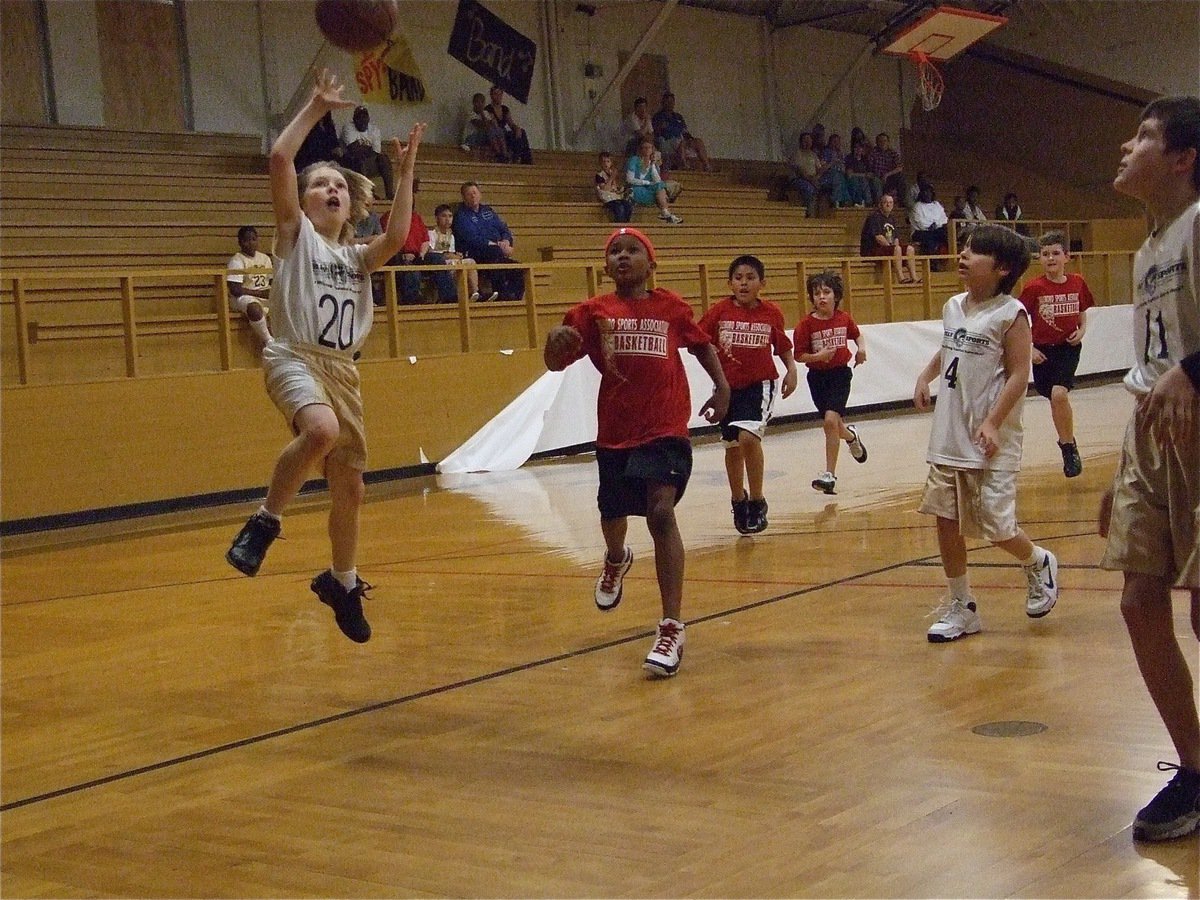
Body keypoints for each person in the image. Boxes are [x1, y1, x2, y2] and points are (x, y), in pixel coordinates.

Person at [224, 69, 424, 644]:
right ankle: (266, 520)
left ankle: (342, 579)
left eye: (340, 185)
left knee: (351, 490)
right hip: (294, 355)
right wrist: (314, 108)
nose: (332, 190)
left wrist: (406, 171)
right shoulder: (294, 236)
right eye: (321, 185)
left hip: (343, 370)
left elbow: (397, 236)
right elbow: (281, 161)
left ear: (351, 203)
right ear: (305, 202)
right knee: (319, 430)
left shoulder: (359, 256)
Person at [542, 227, 730, 677]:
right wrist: (554, 342)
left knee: (661, 512)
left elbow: (701, 342)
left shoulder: (672, 307)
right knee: (613, 514)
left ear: (652, 262)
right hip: (615, 432)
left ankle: (671, 626)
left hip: (665, 427)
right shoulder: (592, 312)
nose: (623, 257)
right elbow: (554, 360)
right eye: (615, 252)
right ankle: (616, 558)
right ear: (606, 265)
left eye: (633, 250)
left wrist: (722, 386)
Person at [1100, 94, 1200, 843]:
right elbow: (1149, 365)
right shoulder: (1145, 249)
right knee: (1140, 600)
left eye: (1143, 137)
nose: (1126, 148)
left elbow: (1179, 364)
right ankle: (1193, 769)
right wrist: (1117, 469)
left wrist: (1194, 371)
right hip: (1152, 435)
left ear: (1182, 158)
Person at [913, 223, 1058, 643]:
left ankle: (1037, 560)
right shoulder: (954, 306)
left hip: (990, 437)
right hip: (949, 432)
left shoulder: (1011, 313)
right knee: (945, 518)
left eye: (975, 252)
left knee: (995, 526)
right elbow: (949, 347)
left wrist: (993, 421)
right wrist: (926, 375)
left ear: (1002, 268)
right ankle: (962, 605)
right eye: (965, 249)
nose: (963, 256)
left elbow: (1018, 373)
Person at [698, 255, 797, 534]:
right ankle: (737, 500)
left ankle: (757, 500)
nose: (744, 283)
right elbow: (699, 342)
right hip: (727, 388)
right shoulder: (718, 312)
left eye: (750, 277)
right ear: (729, 283)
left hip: (759, 385)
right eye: (738, 278)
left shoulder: (771, 313)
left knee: (748, 437)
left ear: (762, 283)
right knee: (732, 446)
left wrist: (791, 370)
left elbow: (782, 346)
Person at [1018, 229, 1095, 477]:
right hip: (1042, 352)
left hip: (1067, 349)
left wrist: (1082, 331)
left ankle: (1068, 447)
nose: (1050, 258)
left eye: (1055, 253)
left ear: (1066, 257)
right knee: (1053, 398)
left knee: (1059, 394)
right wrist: (1030, 348)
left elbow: (1082, 311)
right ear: (1039, 258)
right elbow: (1018, 321)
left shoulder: (1077, 282)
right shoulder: (1033, 288)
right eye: (1045, 254)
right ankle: (1066, 439)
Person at [793, 270, 868, 495]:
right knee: (834, 425)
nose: (822, 297)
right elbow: (799, 355)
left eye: (826, 292)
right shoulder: (805, 325)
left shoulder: (843, 318)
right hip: (817, 378)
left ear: (836, 296)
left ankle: (829, 475)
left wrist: (861, 350)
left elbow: (857, 335)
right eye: (817, 293)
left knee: (829, 422)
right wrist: (818, 357)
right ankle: (851, 436)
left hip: (840, 375)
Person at [452, 181, 525, 301]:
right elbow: (472, 239)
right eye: (469, 194)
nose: (473, 196)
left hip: (496, 253)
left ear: (480, 194)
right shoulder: (461, 216)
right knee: (494, 251)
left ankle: (514, 300)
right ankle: (502, 294)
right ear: (464, 197)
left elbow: (504, 229)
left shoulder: (488, 211)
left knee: (519, 269)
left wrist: (506, 241)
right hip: (475, 253)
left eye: (475, 193)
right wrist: (496, 245)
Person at [392, 178, 457, 304]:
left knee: (437, 258)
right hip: (400, 255)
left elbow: (425, 239)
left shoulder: (417, 218)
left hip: (418, 255)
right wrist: (404, 252)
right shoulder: (390, 217)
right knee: (411, 270)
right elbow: (389, 239)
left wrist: (422, 252)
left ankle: (449, 296)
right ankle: (412, 300)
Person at [428, 203, 493, 302]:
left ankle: (475, 292)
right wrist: (450, 255)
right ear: (437, 218)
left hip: (452, 262)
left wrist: (456, 255)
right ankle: (461, 296)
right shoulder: (431, 234)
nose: (447, 219)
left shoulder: (452, 236)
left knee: (470, 262)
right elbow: (432, 252)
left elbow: (452, 252)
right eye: (444, 216)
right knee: (459, 266)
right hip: (440, 265)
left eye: (450, 216)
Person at [226, 225, 273, 345]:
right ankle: (269, 341)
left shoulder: (265, 258)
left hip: (264, 294)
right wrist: (261, 293)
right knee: (254, 308)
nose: (251, 243)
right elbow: (235, 289)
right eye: (247, 240)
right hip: (243, 297)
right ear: (240, 243)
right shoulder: (237, 260)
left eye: (253, 239)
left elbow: (273, 282)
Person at [860, 192, 920, 284]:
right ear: (880, 205)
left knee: (910, 249)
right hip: (872, 250)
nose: (888, 205)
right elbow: (879, 237)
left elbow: (895, 237)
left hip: (889, 249)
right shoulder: (874, 217)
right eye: (885, 202)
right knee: (897, 249)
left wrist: (894, 247)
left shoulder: (891, 218)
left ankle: (914, 277)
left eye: (891, 202)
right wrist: (892, 248)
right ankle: (901, 278)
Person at [340, 105, 395, 199]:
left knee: (383, 158)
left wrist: (362, 148)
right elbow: (353, 150)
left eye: (364, 118)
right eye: (359, 118)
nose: (362, 121)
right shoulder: (348, 127)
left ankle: (390, 194)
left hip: (368, 162)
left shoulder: (374, 129)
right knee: (358, 159)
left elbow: (376, 152)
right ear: (354, 119)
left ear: (368, 119)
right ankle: (369, 194)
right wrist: (368, 149)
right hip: (350, 164)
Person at [626, 138, 683, 224]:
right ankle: (666, 212)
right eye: (644, 147)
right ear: (640, 149)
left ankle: (665, 212)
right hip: (636, 189)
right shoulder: (634, 160)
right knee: (661, 192)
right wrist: (646, 182)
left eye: (649, 147)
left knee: (660, 186)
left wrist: (652, 165)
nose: (646, 150)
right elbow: (630, 179)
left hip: (649, 190)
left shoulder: (652, 163)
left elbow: (657, 180)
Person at [652, 92, 711, 172]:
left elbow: (684, 131)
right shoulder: (658, 116)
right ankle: (684, 165)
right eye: (668, 102)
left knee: (698, 141)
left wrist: (690, 138)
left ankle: (707, 166)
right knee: (681, 142)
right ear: (663, 103)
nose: (670, 104)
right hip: (667, 142)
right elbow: (656, 132)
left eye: (672, 102)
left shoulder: (678, 116)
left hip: (680, 140)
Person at [484, 85, 532, 164]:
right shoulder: (488, 109)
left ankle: (525, 160)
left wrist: (516, 128)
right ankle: (515, 158)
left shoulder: (505, 109)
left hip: (504, 133)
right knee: (509, 136)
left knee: (521, 132)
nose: (498, 97)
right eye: (495, 94)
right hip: (496, 135)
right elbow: (493, 125)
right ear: (491, 95)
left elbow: (511, 124)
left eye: (500, 94)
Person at [909, 183, 950, 263]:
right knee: (930, 240)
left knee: (948, 236)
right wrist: (932, 225)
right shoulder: (917, 206)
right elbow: (920, 222)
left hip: (936, 229)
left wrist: (936, 224)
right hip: (920, 231)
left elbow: (944, 219)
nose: (927, 194)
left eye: (929, 192)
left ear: (932, 194)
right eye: (924, 192)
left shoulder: (937, 205)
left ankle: (948, 261)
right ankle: (932, 264)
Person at [461, 91, 506, 160]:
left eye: (482, 102)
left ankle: (504, 154)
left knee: (499, 130)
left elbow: (493, 126)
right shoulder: (471, 114)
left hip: (483, 137)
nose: (480, 104)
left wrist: (492, 120)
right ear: (473, 103)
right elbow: (483, 126)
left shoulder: (486, 113)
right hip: (471, 138)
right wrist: (482, 113)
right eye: (477, 102)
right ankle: (499, 154)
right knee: (490, 131)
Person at [595, 151, 633, 223]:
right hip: (607, 198)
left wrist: (620, 189)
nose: (606, 164)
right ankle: (619, 225)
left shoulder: (611, 173)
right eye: (604, 161)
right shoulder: (599, 175)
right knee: (619, 207)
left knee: (627, 205)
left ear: (611, 163)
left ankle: (626, 224)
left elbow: (615, 188)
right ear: (600, 163)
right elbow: (605, 188)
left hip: (614, 196)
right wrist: (612, 177)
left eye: (608, 161)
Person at [870, 132, 906, 201]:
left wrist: (887, 175)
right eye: (880, 141)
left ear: (888, 142)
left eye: (885, 141)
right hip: (877, 178)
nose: (883, 143)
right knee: (875, 181)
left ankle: (904, 202)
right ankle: (879, 203)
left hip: (889, 178)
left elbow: (900, 168)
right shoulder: (873, 153)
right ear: (877, 143)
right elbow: (870, 168)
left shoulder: (893, 153)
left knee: (901, 177)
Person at [844, 139, 880, 207]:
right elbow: (849, 175)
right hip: (852, 179)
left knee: (873, 181)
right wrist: (863, 175)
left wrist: (867, 175)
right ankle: (862, 202)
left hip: (864, 179)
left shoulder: (865, 159)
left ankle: (873, 202)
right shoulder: (849, 158)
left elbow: (870, 173)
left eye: (860, 147)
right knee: (861, 181)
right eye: (856, 147)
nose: (858, 149)